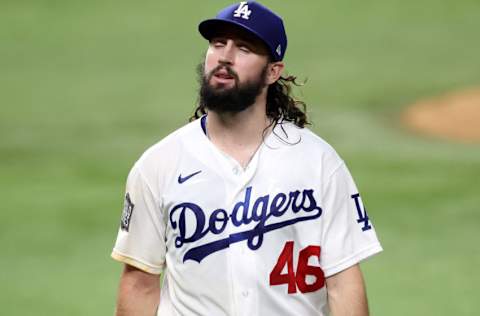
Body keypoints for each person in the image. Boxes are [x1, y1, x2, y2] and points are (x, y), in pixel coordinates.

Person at [111, 2, 382, 315]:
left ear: (273, 71)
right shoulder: (159, 165)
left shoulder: (318, 162)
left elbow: (343, 282)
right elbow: (139, 284)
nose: (225, 56)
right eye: (218, 44)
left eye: (244, 48)